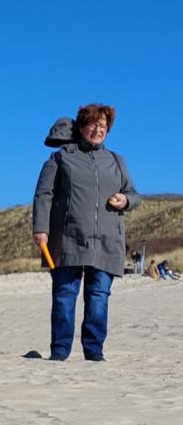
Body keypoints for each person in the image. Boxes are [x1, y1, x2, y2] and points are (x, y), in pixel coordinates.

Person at [33, 103, 140, 361]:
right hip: (67, 239)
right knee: (64, 295)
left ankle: (94, 352)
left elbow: (133, 194)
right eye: (92, 124)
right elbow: (43, 195)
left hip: (107, 241)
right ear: (81, 127)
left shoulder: (116, 160)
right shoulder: (61, 158)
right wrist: (41, 229)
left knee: (99, 297)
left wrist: (125, 200)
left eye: (102, 125)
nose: (98, 129)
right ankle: (60, 351)